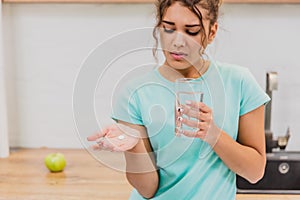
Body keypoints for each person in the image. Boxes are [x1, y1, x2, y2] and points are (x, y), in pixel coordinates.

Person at [87, 0, 270, 199]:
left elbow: (255, 172)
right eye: (168, 29)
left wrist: (213, 134)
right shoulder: (135, 93)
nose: (177, 42)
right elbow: (148, 189)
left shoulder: (239, 82)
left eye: (191, 31)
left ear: (212, 32)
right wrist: (134, 145)